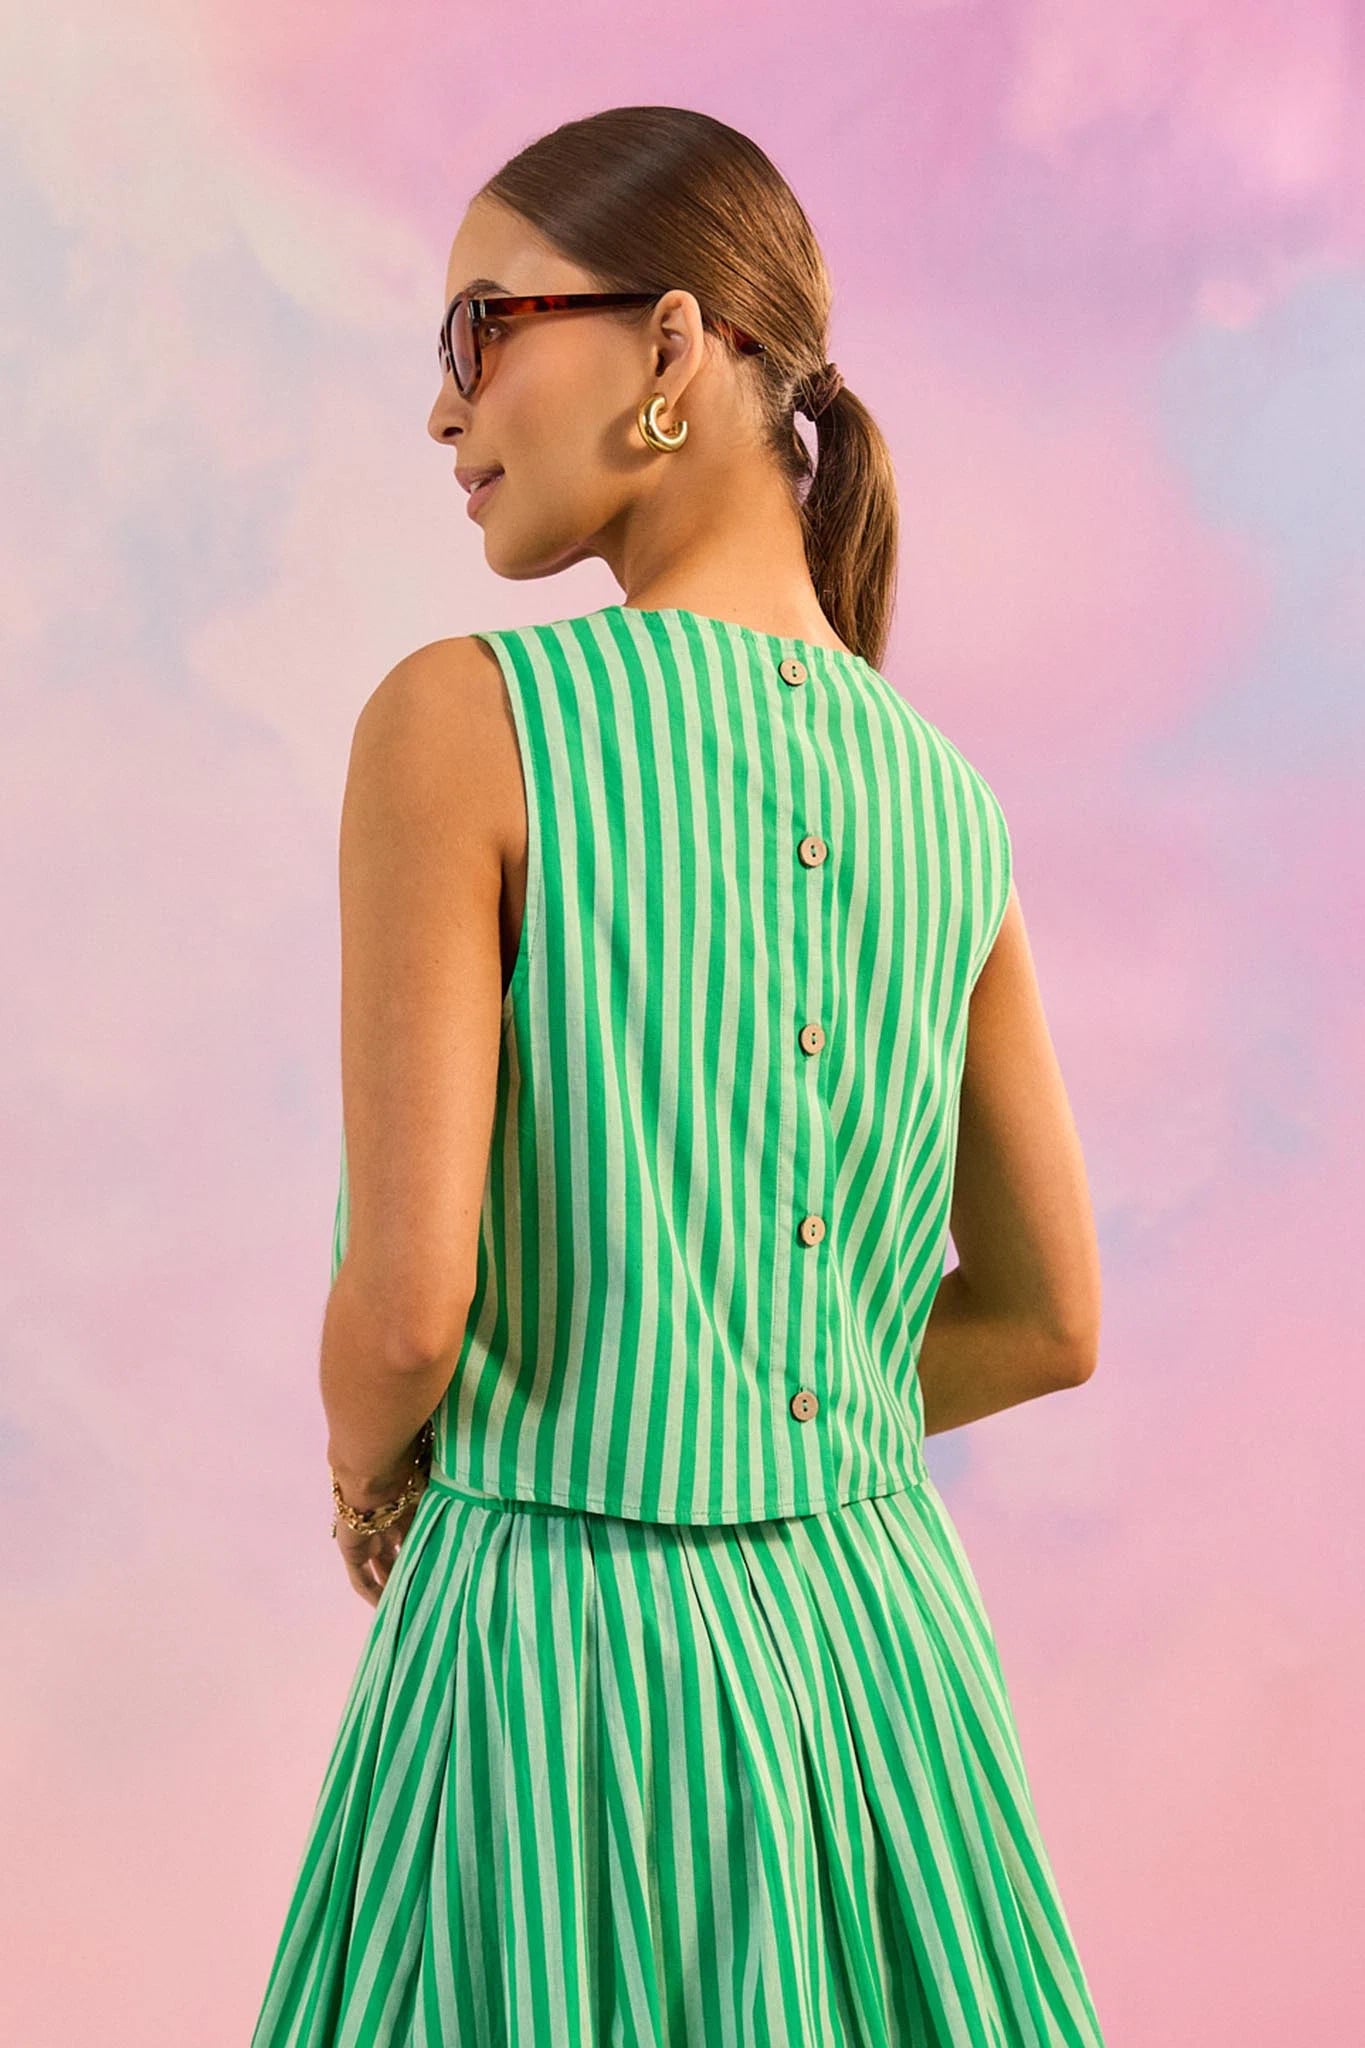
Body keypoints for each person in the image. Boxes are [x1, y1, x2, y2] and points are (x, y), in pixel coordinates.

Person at [251, 104, 1108, 2048]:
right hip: (882, 1675)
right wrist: (769, 1412)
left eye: (480, 327)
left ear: (669, 346)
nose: (442, 405)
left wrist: (364, 1463)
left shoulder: (466, 725)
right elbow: (1051, 1320)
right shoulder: (943, 801)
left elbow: (403, 1309)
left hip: (566, 1679)